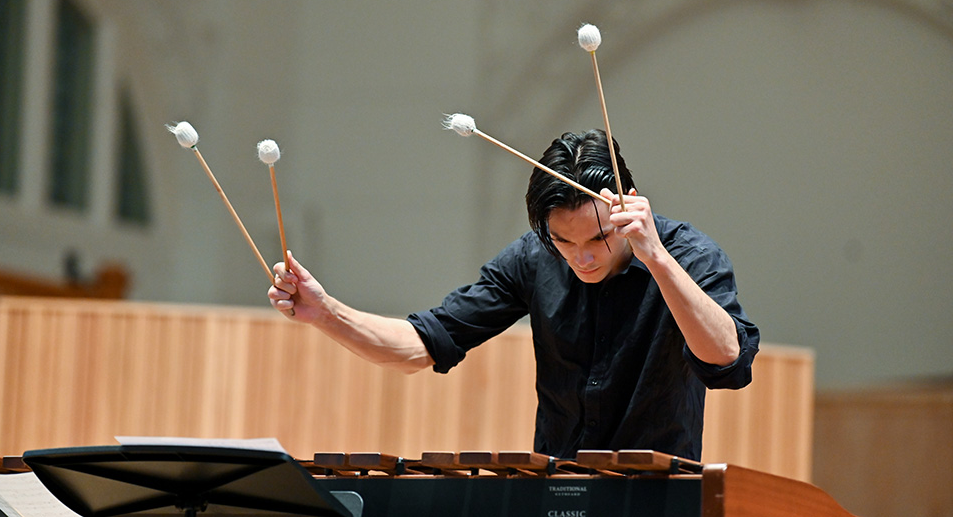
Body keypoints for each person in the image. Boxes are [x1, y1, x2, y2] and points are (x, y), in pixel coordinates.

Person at [268, 129, 759, 461]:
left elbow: (727, 362)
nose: (581, 258)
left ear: (629, 203)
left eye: (597, 240)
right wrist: (325, 312)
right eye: (564, 242)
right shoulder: (533, 257)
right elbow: (423, 345)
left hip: (656, 499)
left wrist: (655, 259)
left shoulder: (689, 256)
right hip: (556, 493)